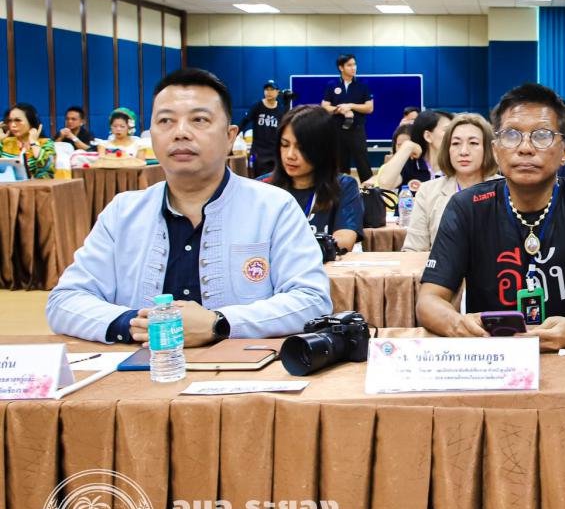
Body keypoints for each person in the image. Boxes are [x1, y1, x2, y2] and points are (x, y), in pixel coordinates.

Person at [46, 68, 332, 346]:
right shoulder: (123, 212)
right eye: (166, 121)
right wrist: (135, 324)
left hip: (240, 372)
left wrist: (219, 323)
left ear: (230, 136)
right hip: (144, 368)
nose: (180, 133)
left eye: (199, 120)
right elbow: (65, 300)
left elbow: (312, 300)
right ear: (151, 135)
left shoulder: (274, 207)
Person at [417, 83, 565, 350]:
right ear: (496, 150)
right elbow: (429, 300)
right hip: (494, 352)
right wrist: (458, 324)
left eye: (542, 136)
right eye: (511, 135)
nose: (525, 148)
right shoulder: (467, 206)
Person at [271, 105, 365, 253]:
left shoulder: (344, 186)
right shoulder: (263, 187)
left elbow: (344, 241)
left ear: (323, 149)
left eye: (301, 148)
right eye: (285, 145)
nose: (290, 155)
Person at [403, 113, 500, 252]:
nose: (463, 152)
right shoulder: (427, 191)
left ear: (488, 149)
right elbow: (414, 251)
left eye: (473, 143)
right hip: (440, 266)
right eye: (455, 143)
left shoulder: (506, 190)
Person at [368, 109, 451, 192]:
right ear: (428, 136)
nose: (453, 135)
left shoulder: (454, 165)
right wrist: (407, 146)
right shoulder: (409, 165)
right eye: (447, 130)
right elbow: (384, 184)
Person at [321, 53, 374, 182]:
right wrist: (340, 110)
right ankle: (341, 190)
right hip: (337, 130)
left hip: (357, 130)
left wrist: (351, 106)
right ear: (341, 68)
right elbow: (325, 107)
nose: (353, 68)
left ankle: (369, 191)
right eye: (349, 65)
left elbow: (369, 108)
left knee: (363, 162)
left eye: (354, 64)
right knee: (340, 164)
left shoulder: (363, 85)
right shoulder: (331, 85)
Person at [238, 81, 287, 175]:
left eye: (271, 89)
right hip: (258, 151)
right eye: (266, 89)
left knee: (274, 179)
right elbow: (244, 122)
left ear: (277, 92)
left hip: (274, 152)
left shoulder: (281, 109)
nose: (268, 92)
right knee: (258, 179)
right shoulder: (257, 106)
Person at [2, 103, 56, 179]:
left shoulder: (46, 143)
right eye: (10, 121)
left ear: (31, 122)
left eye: (18, 120)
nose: (13, 125)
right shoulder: (5, 142)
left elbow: (47, 168)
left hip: (39, 185)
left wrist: (33, 143)